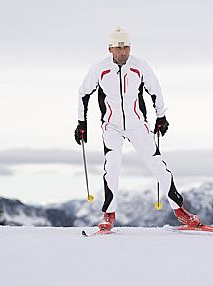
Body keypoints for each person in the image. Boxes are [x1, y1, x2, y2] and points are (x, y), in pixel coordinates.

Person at [74, 27, 201, 231]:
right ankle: (109, 214)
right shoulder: (100, 69)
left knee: (157, 164)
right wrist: (82, 123)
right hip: (111, 125)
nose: (123, 51)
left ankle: (180, 210)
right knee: (112, 167)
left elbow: (155, 90)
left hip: (137, 124)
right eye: (119, 47)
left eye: (126, 47)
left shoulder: (139, 66)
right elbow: (83, 94)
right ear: (110, 49)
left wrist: (161, 116)